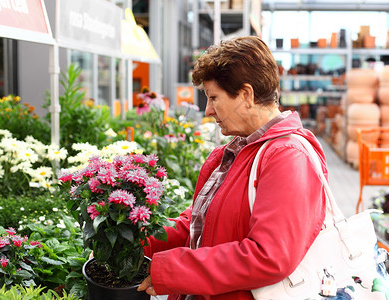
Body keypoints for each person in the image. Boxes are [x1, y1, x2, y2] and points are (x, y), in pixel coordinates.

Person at [137, 36, 327, 299]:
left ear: (246, 95)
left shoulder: (287, 157)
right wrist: (135, 236)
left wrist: (173, 271)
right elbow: (196, 226)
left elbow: (269, 256)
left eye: (214, 97)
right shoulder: (241, 149)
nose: (208, 111)